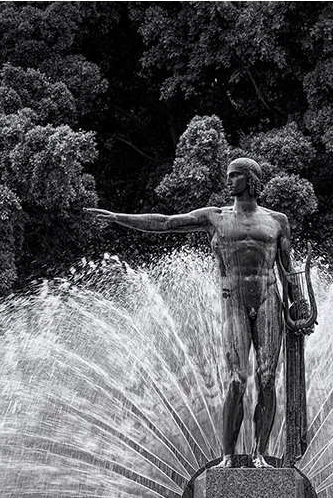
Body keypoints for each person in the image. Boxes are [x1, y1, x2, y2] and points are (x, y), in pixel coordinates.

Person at [85, 157, 304, 466]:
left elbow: (287, 268)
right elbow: (165, 222)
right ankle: (228, 456)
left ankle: (259, 455)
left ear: (250, 179)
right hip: (234, 301)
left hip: (269, 299)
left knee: (267, 379)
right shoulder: (214, 217)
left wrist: (298, 303)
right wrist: (118, 217)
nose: (228, 182)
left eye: (234, 176)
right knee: (238, 379)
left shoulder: (277, 221)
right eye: (227, 176)